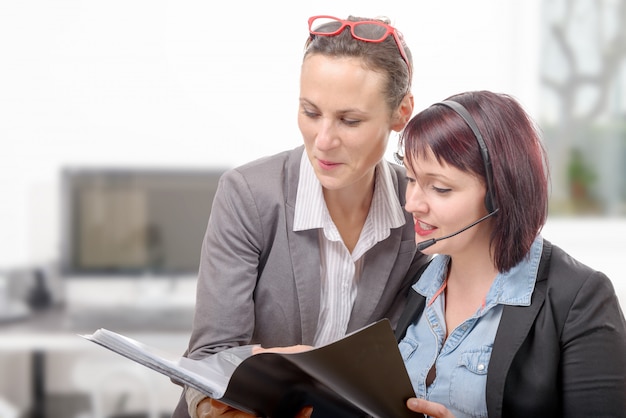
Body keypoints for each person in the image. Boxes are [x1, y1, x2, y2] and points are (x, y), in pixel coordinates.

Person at [171, 14, 429, 418]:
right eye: (311, 112)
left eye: (350, 120)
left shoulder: (418, 210)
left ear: (401, 113)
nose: (323, 141)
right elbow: (208, 356)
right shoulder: (248, 194)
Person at [395, 90, 626, 417]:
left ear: (500, 192)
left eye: (440, 188)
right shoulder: (419, 284)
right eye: (411, 179)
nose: (412, 203)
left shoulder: (581, 299)